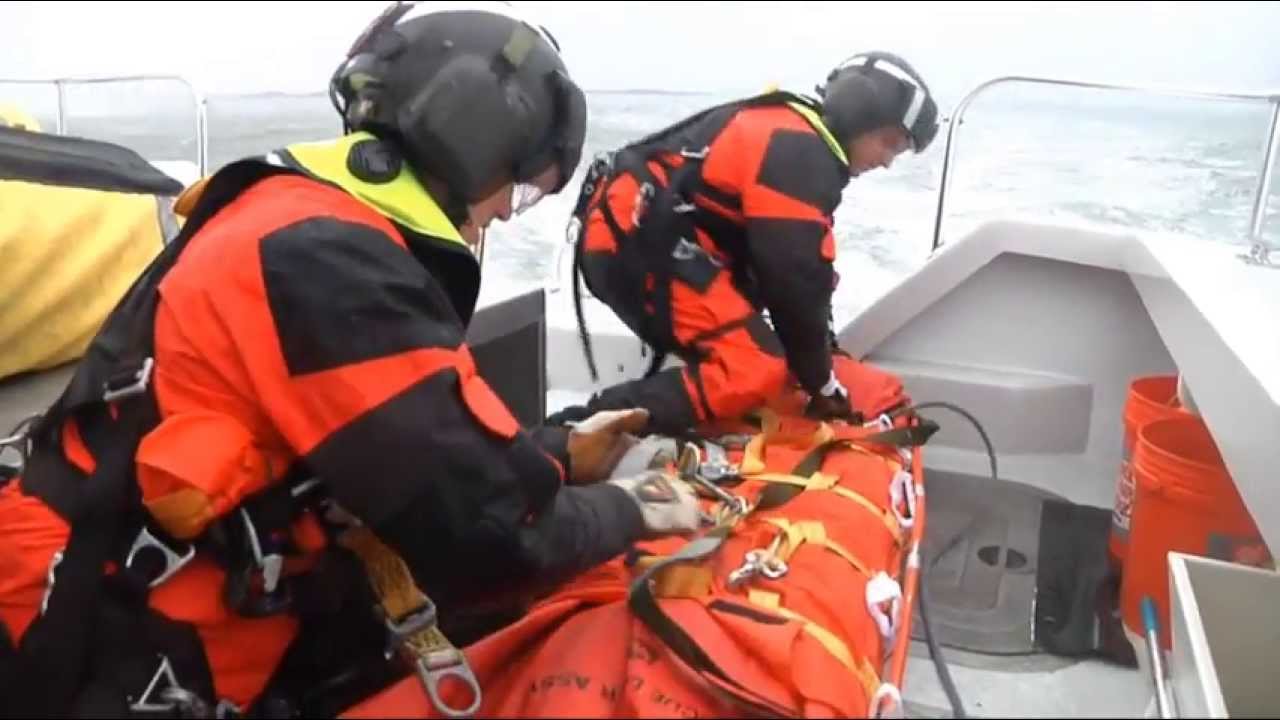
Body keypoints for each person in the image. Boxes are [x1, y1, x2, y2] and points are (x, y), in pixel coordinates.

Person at [0, 2, 700, 717]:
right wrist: (631, 509)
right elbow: (493, 540)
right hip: (90, 637)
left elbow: (421, 446)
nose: (503, 215)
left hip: (163, 581)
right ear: (472, 138)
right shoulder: (334, 266)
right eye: (517, 190)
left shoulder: (303, 221)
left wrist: (558, 452)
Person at [556, 52, 940, 435]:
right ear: (861, 114)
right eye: (889, 142)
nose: (888, 161)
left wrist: (818, 354)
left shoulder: (798, 140)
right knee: (755, 366)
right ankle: (576, 433)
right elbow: (794, 284)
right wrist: (823, 384)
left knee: (777, 352)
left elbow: (809, 270)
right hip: (632, 242)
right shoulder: (797, 152)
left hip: (660, 239)